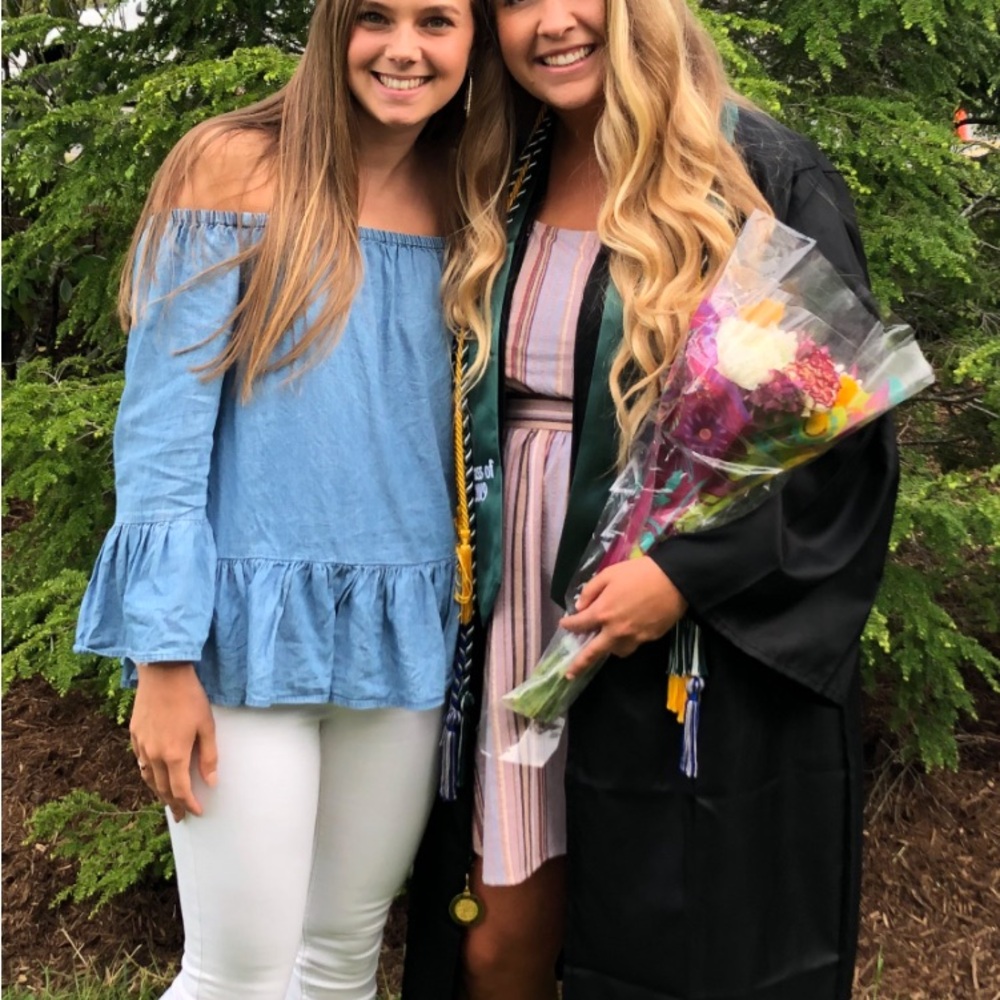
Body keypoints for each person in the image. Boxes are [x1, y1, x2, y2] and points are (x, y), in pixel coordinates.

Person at [401, 0, 900, 997]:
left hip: (680, 625)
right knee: (496, 932)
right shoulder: (501, 168)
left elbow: (835, 433)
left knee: (669, 932)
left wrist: (680, 574)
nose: (549, 23)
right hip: (512, 601)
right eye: (513, 3)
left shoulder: (752, 171)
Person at [72, 0, 508, 996]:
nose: (404, 47)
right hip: (244, 630)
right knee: (240, 973)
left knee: (340, 958)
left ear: (472, 44)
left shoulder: (474, 195)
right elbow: (162, 435)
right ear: (331, 30)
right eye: (374, 18)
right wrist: (164, 657)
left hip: (404, 631)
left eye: (437, 21)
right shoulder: (231, 167)